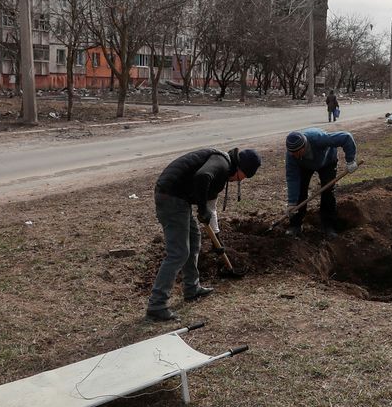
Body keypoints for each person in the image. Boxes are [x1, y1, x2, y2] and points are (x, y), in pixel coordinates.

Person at [146, 147, 262, 322]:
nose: (239, 181)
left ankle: (192, 288)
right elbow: (202, 177)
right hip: (170, 197)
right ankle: (157, 305)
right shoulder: (221, 163)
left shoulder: (221, 173)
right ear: (240, 169)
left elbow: (211, 209)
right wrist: (201, 208)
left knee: (194, 239)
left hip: (179, 199)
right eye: (242, 178)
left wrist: (217, 240)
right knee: (178, 253)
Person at [285, 128, 357, 239]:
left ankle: (328, 226)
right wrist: (291, 202)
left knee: (328, 192)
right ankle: (295, 225)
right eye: (292, 153)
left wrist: (350, 160)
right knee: (300, 191)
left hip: (327, 162)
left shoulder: (318, 138)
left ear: (304, 146)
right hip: (304, 166)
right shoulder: (292, 156)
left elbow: (346, 137)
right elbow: (292, 178)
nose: (295, 155)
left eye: (297, 153)